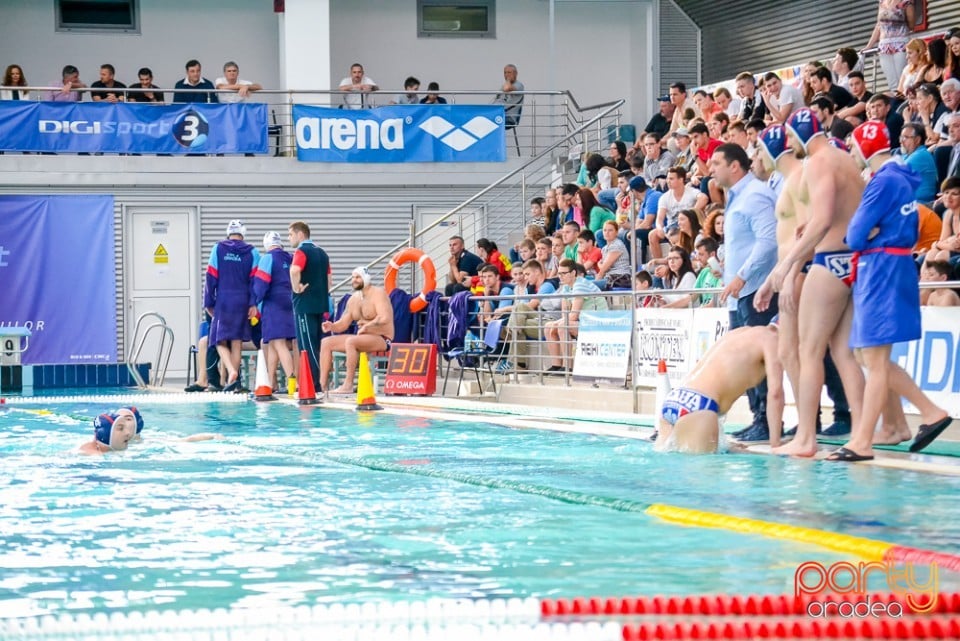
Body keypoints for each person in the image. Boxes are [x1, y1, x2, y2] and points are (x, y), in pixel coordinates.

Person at [834, 121, 952, 460]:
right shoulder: (901, 177)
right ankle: (900, 424)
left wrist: (865, 232)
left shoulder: (882, 181)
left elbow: (855, 235)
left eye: (855, 146)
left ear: (866, 148)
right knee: (865, 355)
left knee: (874, 356)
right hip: (892, 265)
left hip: (880, 268)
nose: (853, 152)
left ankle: (864, 440)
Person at [762, 108, 867, 458]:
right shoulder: (847, 161)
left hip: (829, 261)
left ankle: (806, 437)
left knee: (808, 352)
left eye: (791, 137)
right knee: (842, 352)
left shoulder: (820, 162)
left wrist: (789, 265)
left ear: (799, 135)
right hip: (852, 259)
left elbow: (820, 221)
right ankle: (862, 432)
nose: (791, 144)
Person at [711, 143, 779, 443]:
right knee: (743, 359)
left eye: (716, 163)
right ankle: (757, 417)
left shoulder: (756, 195)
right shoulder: (736, 196)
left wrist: (742, 276)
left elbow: (768, 241)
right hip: (740, 292)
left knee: (758, 359)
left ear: (734, 166)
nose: (710, 168)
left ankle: (766, 419)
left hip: (756, 290)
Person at [655, 323, 784, 454]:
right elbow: (775, 394)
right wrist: (776, 444)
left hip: (674, 399)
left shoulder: (740, 332)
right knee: (704, 471)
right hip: (700, 407)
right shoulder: (772, 340)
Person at [319, 267, 394, 395]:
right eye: (353, 277)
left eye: (357, 277)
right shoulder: (353, 299)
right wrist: (332, 326)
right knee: (326, 342)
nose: (354, 280)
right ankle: (322, 386)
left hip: (381, 338)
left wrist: (367, 326)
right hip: (361, 338)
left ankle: (348, 384)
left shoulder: (378, 294)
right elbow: (343, 323)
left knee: (350, 341)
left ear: (366, 278)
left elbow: (385, 317)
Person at [205, 220, 258, 392]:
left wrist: (208, 301)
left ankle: (232, 370)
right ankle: (233, 384)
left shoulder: (218, 249)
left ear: (228, 233)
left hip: (224, 300)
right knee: (236, 342)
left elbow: (211, 276)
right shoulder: (253, 251)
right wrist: (253, 303)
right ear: (243, 234)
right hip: (243, 301)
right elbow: (255, 281)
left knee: (218, 340)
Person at [288, 221, 331, 388]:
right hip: (320, 304)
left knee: (306, 346)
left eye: (290, 234)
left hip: (305, 304)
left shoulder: (301, 251)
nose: (289, 238)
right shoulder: (322, 253)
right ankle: (316, 382)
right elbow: (329, 280)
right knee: (316, 344)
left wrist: (296, 287)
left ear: (300, 234)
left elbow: (294, 270)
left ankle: (313, 384)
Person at [253, 232, 297, 393]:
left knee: (278, 343)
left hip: (274, 304)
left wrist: (253, 302)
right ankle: (269, 382)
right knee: (271, 343)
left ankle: (293, 381)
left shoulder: (267, 258)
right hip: (290, 302)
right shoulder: (290, 257)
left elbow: (260, 284)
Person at [863, 0, 916, 92]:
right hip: (884, 45)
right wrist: (869, 46)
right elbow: (878, 25)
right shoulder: (882, 2)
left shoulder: (906, 2)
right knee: (891, 81)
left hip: (900, 42)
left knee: (903, 77)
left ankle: (907, 101)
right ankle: (897, 103)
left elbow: (911, 24)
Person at [494, 64, 524, 128]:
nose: (506, 75)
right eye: (505, 73)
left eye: (509, 72)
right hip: (497, 113)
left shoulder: (519, 85)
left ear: (515, 73)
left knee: (487, 122)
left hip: (508, 117)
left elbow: (507, 89)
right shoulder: (505, 85)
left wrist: (508, 79)